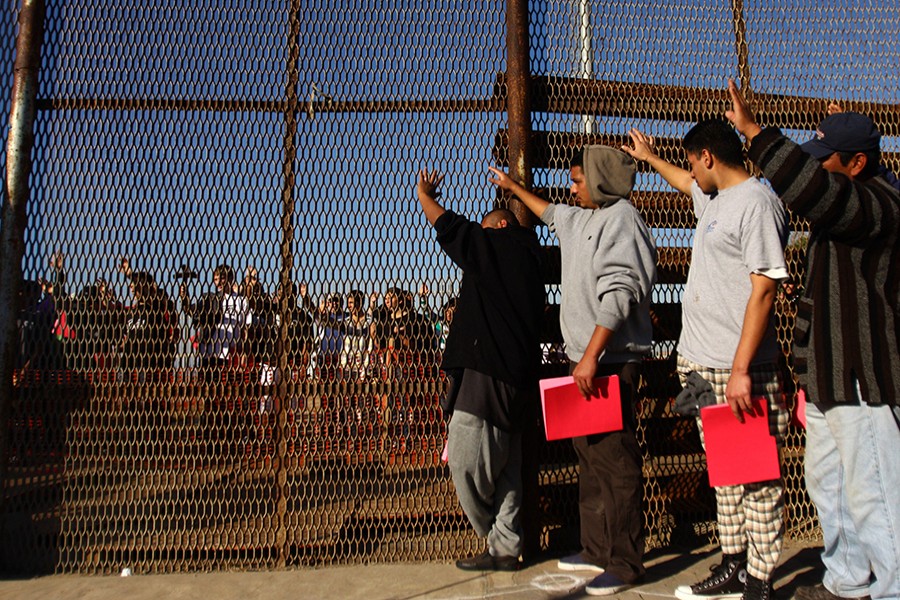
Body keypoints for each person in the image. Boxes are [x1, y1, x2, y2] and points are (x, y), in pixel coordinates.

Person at [726, 79, 899, 600]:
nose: (818, 164)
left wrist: (754, 132)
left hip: (865, 379)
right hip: (827, 376)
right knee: (830, 487)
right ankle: (847, 581)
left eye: (828, 157)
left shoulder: (879, 207)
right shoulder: (843, 209)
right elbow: (814, 302)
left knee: (876, 495)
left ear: (857, 165)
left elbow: (811, 189)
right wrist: (803, 372)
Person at [623, 119, 789, 600]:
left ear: (709, 157)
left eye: (693, 163)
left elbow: (764, 287)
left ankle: (760, 580)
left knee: (757, 478)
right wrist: (650, 159)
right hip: (706, 366)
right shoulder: (717, 199)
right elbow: (683, 181)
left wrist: (740, 371)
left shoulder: (756, 203)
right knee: (727, 475)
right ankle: (733, 566)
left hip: (740, 368)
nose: (690, 173)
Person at [488, 145, 657, 596]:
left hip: (608, 362)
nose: (571, 186)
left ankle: (625, 562)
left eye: (579, 180)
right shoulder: (582, 218)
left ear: (601, 180)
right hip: (584, 361)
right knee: (590, 458)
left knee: (616, 461)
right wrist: (512, 187)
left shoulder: (622, 220)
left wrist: (591, 357)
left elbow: (620, 291)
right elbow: (549, 212)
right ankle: (597, 549)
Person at [416, 167, 545, 573]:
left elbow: (452, 227)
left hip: (487, 372)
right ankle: (506, 546)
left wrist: (424, 195)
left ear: (501, 225)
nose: (481, 235)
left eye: (486, 228)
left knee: (466, 460)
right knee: (507, 467)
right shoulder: (530, 258)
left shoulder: (499, 247)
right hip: (519, 377)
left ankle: (494, 538)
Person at [180, 264, 249, 382]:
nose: (219, 283)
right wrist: (184, 296)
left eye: (222, 278)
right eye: (216, 279)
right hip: (208, 353)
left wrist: (243, 353)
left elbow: (245, 329)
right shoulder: (210, 299)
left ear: (230, 278)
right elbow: (190, 310)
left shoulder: (241, 301)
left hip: (230, 354)